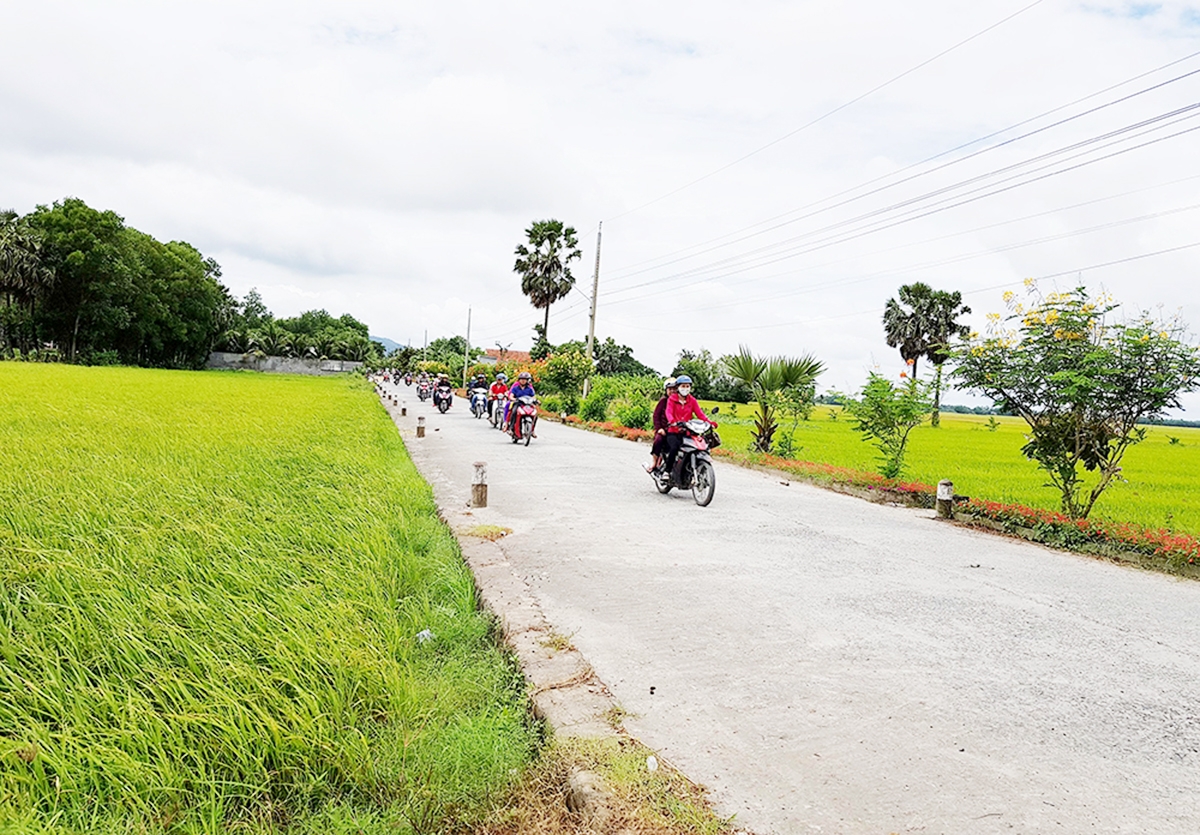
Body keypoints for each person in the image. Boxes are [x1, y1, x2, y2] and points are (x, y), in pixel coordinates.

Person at [662, 375, 714, 474]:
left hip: (688, 432)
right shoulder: (672, 399)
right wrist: (673, 421)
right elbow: (668, 412)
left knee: (698, 447)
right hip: (674, 431)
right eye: (683, 386)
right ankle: (667, 471)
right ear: (677, 387)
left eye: (687, 386)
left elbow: (700, 414)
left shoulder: (692, 400)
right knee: (674, 447)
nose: (685, 389)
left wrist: (710, 423)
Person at [646, 377, 677, 473]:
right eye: (670, 389)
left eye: (674, 389)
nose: (672, 391)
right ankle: (654, 462)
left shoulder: (680, 401)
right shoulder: (663, 401)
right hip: (664, 429)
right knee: (658, 440)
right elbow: (656, 415)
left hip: (677, 429)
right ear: (666, 390)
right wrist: (659, 428)